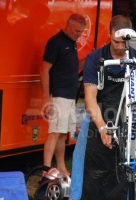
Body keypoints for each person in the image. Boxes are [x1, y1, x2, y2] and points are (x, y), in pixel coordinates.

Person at [81, 15, 136, 200]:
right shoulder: (95, 59)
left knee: (124, 174)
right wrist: (102, 127)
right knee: (93, 175)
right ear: (109, 34)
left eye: (125, 43)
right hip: (100, 115)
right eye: (116, 42)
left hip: (129, 117)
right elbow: (90, 98)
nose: (121, 47)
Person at [40, 14, 86, 176]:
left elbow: (73, 68)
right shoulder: (56, 42)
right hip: (58, 94)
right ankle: (46, 170)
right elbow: (44, 69)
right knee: (54, 132)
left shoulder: (72, 43)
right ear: (68, 25)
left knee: (62, 133)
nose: (79, 35)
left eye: (81, 32)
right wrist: (46, 97)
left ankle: (61, 167)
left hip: (69, 95)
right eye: (76, 31)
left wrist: (86, 60)